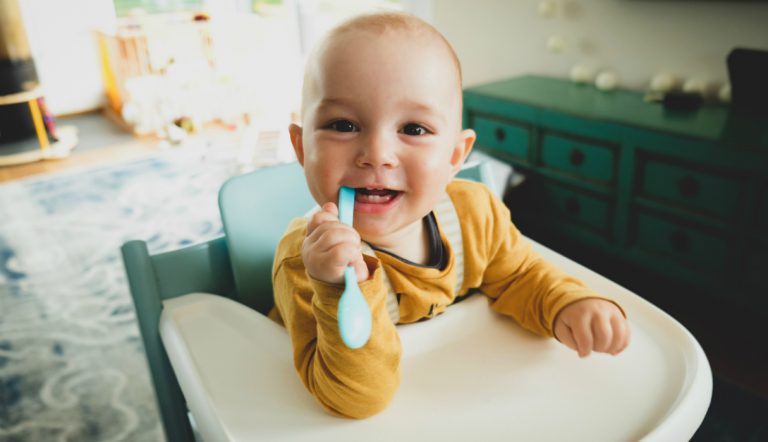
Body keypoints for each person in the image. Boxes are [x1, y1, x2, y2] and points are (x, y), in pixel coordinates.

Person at [269, 11, 630, 419]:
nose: (377, 155)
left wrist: (568, 304)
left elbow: (520, 276)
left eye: (414, 129)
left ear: (456, 155)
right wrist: (337, 286)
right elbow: (355, 399)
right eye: (343, 124)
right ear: (301, 148)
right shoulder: (305, 263)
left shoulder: (474, 215)